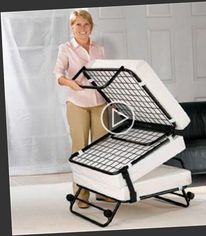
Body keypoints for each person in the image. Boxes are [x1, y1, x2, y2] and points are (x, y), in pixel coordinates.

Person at [53, 9, 113, 208]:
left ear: (91, 26)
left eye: (86, 24)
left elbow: (104, 73)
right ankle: (81, 193)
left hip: (100, 103)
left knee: (102, 149)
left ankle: (103, 191)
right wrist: (71, 83)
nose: (82, 28)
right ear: (72, 27)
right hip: (77, 103)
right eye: (78, 24)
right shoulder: (65, 48)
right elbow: (58, 75)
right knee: (80, 149)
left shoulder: (99, 48)